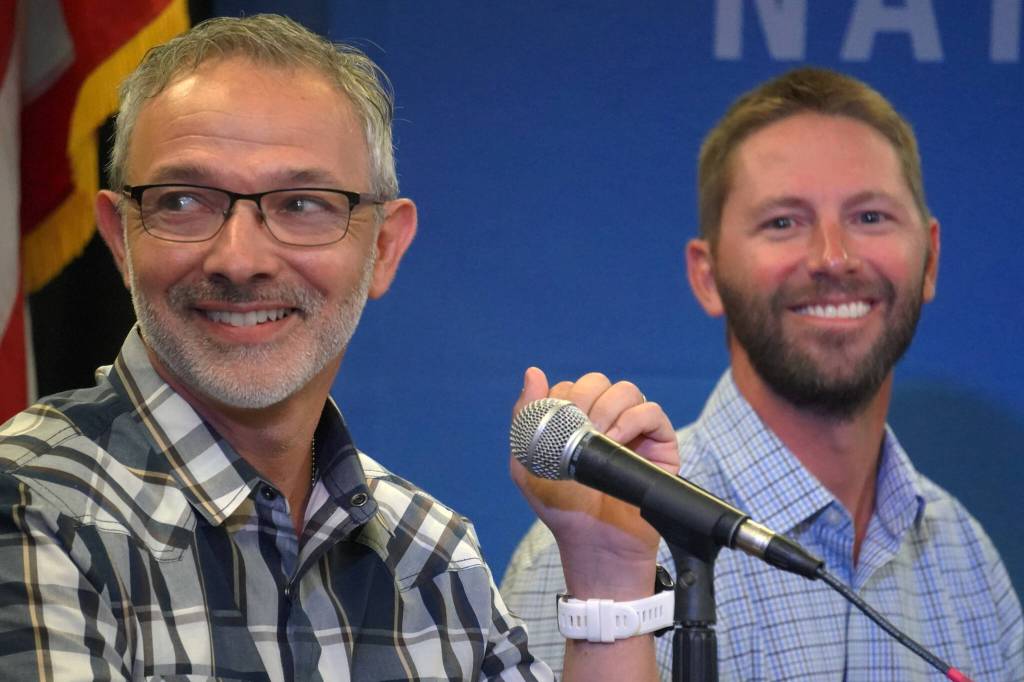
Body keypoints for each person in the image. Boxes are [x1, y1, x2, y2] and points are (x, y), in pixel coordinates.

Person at [0, 14, 677, 680]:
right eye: (184, 201)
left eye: (301, 205)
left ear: (383, 247)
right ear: (121, 238)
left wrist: (609, 582)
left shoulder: (433, 556)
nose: (240, 259)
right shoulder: (30, 506)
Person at [501, 67, 1024, 680]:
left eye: (871, 217)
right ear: (707, 275)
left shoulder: (965, 557)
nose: (834, 257)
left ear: (930, 258)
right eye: (783, 222)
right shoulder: (603, 535)